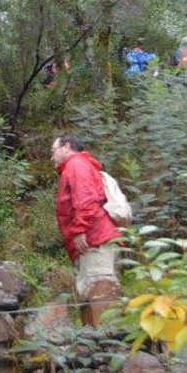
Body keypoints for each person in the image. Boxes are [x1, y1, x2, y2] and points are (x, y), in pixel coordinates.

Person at [51, 134, 123, 327]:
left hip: (94, 239)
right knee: (93, 294)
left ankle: (107, 347)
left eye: (53, 151)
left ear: (66, 147)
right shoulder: (78, 165)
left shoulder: (76, 165)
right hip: (95, 239)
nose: (52, 157)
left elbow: (86, 199)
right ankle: (96, 346)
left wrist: (79, 231)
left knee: (100, 292)